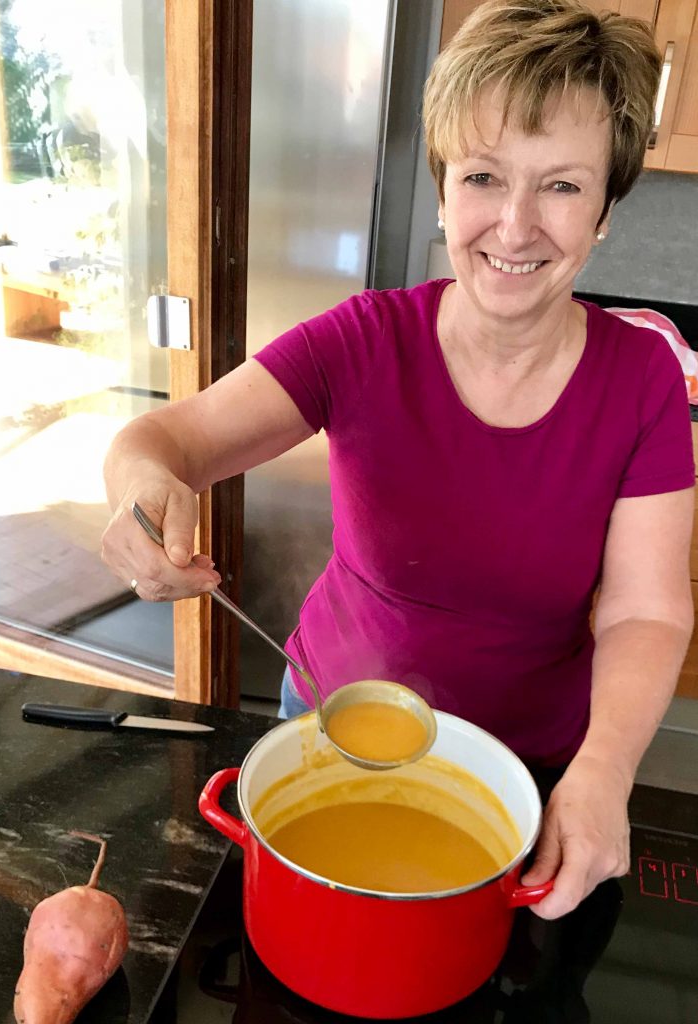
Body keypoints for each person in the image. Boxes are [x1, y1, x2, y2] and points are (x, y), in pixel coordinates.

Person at [101, 0, 694, 920]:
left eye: (563, 187)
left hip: (530, 767)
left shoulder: (644, 379)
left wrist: (603, 773)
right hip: (328, 727)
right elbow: (162, 440)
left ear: (608, 207)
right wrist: (142, 495)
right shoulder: (363, 342)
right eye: (484, 177)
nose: (515, 224)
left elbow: (646, 608)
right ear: (445, 183)